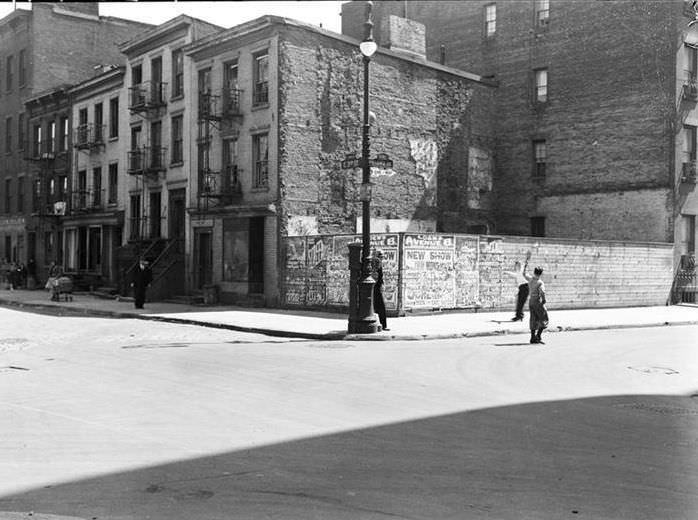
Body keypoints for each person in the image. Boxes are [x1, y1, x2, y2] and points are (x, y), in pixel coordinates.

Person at [523, 265, 549, 344]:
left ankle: (532, 337)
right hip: (538, 302)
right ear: (541, 274)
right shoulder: (540, 282)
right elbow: (542, 292)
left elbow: (524, 274)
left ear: (534, 272)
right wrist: (544, 300)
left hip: (531, 302)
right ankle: (538, 336)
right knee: (544, 318)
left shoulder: (530, 279)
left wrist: (525, 265)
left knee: (533, 319)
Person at [373, 250, 388, 331]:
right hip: (376, 287)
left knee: (377, 307)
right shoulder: (377, 263)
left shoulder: (376, 263)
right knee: (380, 307)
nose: (382, 258)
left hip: (375, 287)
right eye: (381, 256)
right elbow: (377, 276)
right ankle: (383, 325)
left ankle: (381, 324)